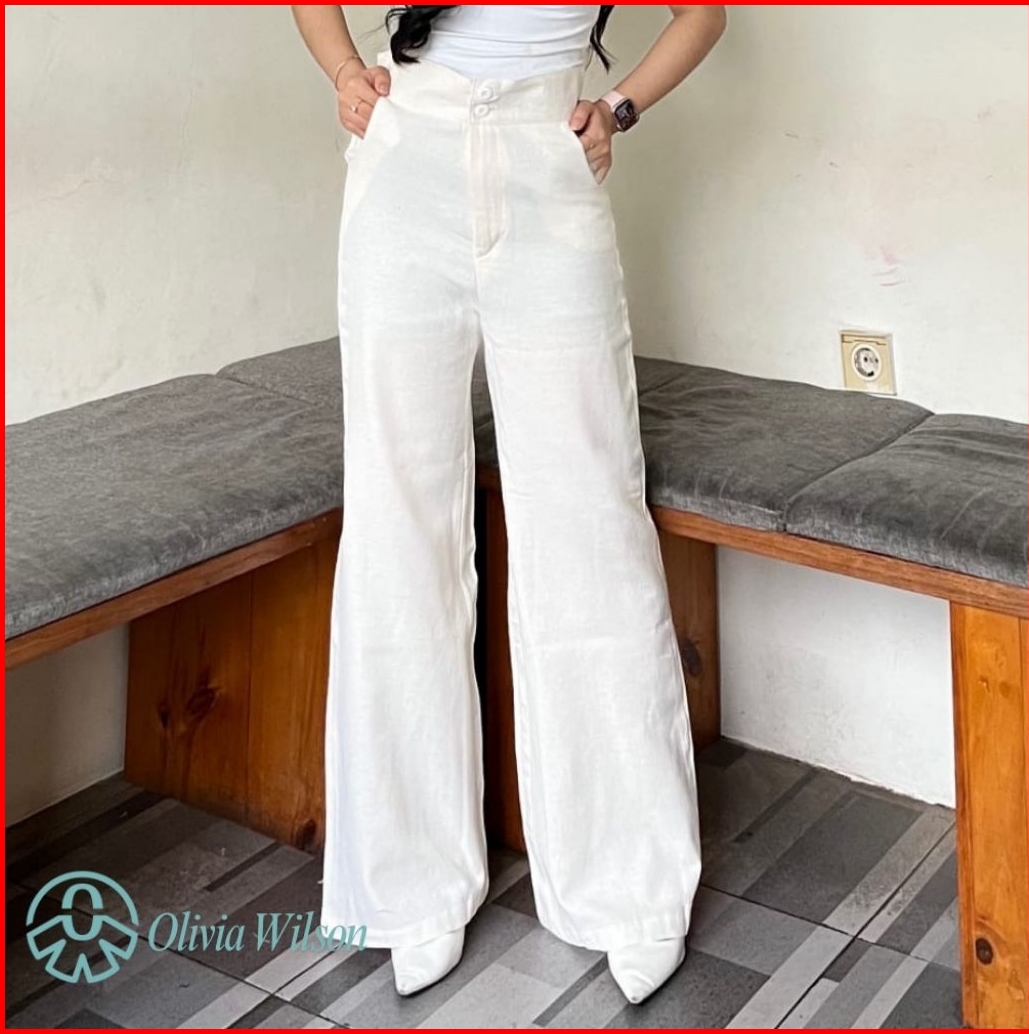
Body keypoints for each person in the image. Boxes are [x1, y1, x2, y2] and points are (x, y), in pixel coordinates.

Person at [290, 4, 727, 1006]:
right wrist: (344, 71)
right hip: (405, 163)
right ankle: (409, 887)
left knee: (590, 515)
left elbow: (704, 14)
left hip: (546, 157)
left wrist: (617, 108)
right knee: (398, 514)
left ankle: (629, 887)